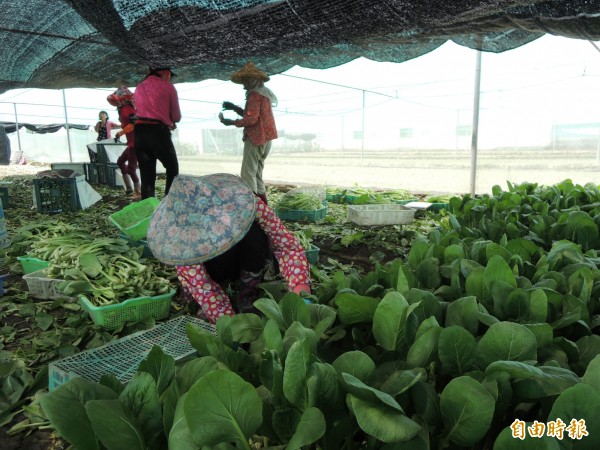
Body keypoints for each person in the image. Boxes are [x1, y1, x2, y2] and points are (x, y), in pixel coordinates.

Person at [147, 173, 311, 324]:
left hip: (240, 257)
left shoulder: (244, 201)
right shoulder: (181, 242)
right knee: (209, 305)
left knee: (254, 233)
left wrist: (300, 289)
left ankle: (248, 293)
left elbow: (287, 246)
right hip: (210, 270)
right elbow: (204, 288)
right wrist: (232, 326)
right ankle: (201, 303)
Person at [219, 61, 278, 205]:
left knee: (247, 174)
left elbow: (251, 119)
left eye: (246, 80)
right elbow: (253, 114)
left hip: (256, 138)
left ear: (253, 80)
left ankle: (253, 211)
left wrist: (231, 122)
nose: (244, 84)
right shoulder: (264, 95)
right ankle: (264, 210)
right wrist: (234, 107)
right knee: (257, 175)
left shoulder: (253, 94)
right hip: (266, 139)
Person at [133, 67, 181, 199]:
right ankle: (168, 203)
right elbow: (176, 116)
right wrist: (170, 121)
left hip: (140, 133)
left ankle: (148, 211)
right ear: (165, 74)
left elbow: (143, 110)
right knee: (173, 169)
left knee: (146, 175)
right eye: (170, 75)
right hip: (158, 133)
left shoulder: (139, 87)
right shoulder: (168, 86)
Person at [107, 87, 141, 198]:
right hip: (131, 142)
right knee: (121, 161)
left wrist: (121, 133)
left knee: (131, 169)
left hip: (135, 143)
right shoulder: (123, 109)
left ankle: (138, 192)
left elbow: (134, 124)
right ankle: (129, 187)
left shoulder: (127, 109)